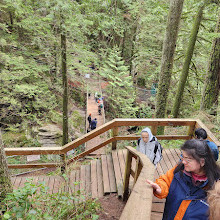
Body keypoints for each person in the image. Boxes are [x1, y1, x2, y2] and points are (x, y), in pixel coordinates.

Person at [146, 139, 220, 220]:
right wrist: (160, 188)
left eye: (188, 159)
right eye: (182, 157)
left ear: (202, 162)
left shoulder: (215, 186)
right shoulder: (178, 171)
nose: (183, 162)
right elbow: (165, 180)